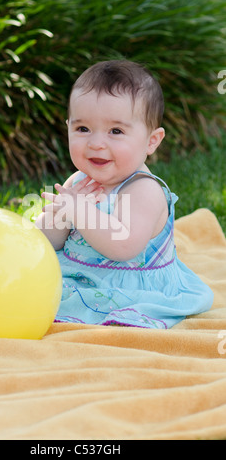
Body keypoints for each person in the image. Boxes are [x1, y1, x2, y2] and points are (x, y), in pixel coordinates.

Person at [35, 59, 213, 329]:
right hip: (78, 275)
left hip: (129, 287)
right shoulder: (79, 180)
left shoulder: (143, 190)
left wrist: (81, 212)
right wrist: (58, 216)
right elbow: (48, 243)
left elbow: (123, 246)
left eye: (116, 131)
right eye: (83, 129)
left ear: (151, 141)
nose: (96, 143)